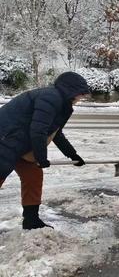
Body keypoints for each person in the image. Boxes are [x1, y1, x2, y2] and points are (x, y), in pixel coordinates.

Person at [0, 72, 90, 230]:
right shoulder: (50, 97)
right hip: (5, 139)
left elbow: (55, 133)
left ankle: (31, 220)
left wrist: (72, 155)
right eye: (80, 93)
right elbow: (38, 130)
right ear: (70, 90)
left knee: (33, 176)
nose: (81, 97)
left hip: (22, 144)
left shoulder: (62, 104)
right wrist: (41, 158)